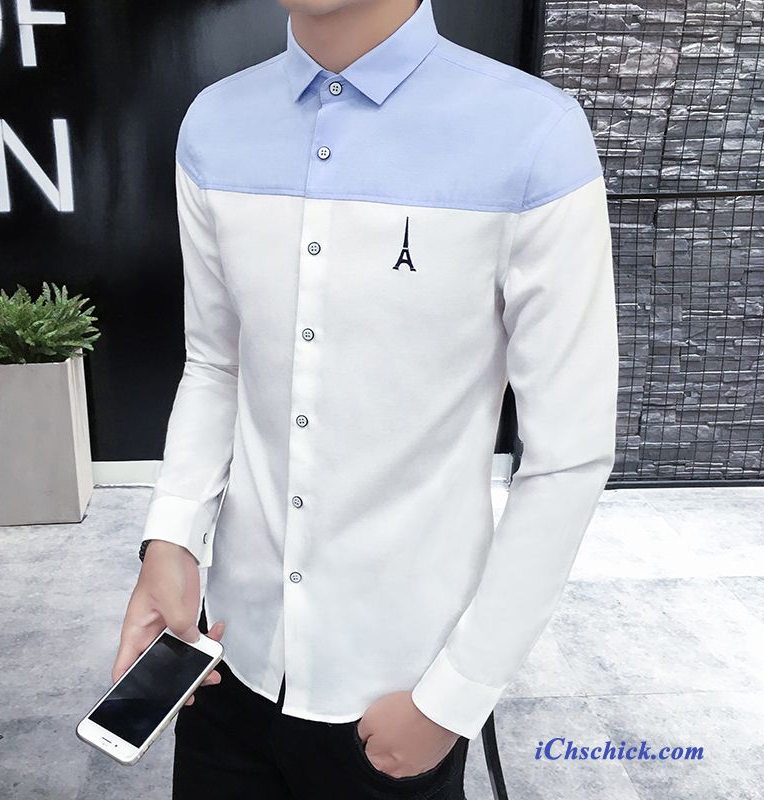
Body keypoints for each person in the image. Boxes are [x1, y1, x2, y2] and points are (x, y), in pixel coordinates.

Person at [112, 0, 619, 797]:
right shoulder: (215, 125)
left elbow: (569, 454)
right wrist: (170, 541)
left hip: (398, 694)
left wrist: (453, 699)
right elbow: (217, 363)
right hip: (229, 664)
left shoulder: (531, 136)